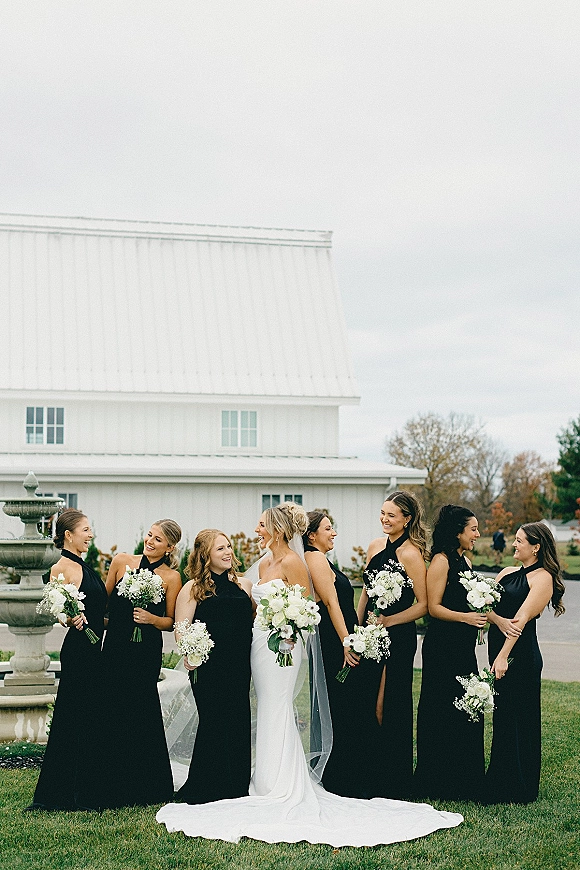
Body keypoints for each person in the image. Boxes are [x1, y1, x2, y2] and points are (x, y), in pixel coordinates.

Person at [157, 503, 463, 846]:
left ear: (276, 528)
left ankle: (281, 784)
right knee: (264, 707)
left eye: (262, 525)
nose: (256, 530)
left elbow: (308, 606)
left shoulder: (293, 561)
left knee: (277, 705)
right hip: (258, 645)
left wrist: (296, 632)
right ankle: (261, 778)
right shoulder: (260, 565)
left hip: (283, 646)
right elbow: (252, 607)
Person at [98, 519, 182, 807]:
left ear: (170, 547)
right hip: (116, 646)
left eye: (158, 539)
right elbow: (103, 602)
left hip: (145, 651)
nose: (150, 541)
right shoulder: (122, 561)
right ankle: (108, 780)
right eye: (149, 535)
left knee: (141, 709)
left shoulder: (172, 577)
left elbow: (171, 622)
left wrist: (150, 619)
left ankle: (145, 783)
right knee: (112, 707)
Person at [27, 509, 107, 810]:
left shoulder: (81, 564)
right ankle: (67, 791)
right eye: (85, 530)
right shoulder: (63, 567)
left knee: (88, 716)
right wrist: (68, 617)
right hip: (80, 650)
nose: (90, 534)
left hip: (92, 648)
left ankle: (87, 786)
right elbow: (58, 607)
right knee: (75, 717)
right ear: (69, 535)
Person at [485, 522, 565, 804]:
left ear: (536, 546)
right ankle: (499, 779)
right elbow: (486, 607)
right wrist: (497, 621)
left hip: (520, 655)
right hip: (498, 650)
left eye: (519, 541)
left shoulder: (542, 578)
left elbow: (520, 621)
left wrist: (504, 655)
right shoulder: (506, 572)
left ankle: (520, 785)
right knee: (503, 716)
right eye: (514, 539)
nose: (513, 544)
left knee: (521, 717)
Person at [303, 510, 381, 798]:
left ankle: (349, 772)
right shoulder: (315, 558)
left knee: (348, 707)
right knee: (343, 707)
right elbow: (331, 604)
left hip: (342, 639)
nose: (333, 533)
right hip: (335, 644)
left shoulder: (322, 558)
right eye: (327, 529)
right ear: (311, 535)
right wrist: (347, 642)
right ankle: (343, 776)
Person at [173, 530, 254, 804]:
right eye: (221, 548)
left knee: (238, 721)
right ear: (206, 555)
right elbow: (181, 629)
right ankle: (208, 784)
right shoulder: (192, 588)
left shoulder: (244, 586)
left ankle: (236, 785)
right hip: (208, 668)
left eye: (229, 547)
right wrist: (189, 653)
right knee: (214, 722)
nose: (228, 552)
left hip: (239, 667)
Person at [357, 491, 429, 798]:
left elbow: (423, 605)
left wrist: (389, 621)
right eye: (383, 513)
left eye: (392, 515)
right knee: (364, 699)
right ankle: (367, 771)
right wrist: (355, 628)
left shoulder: (412, 554)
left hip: (397, 637)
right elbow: (365, 591)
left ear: (407, 519)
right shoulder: (375, 546)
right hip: (368, 635)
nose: (385, 519)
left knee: (385, 705)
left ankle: (392, 778)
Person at [414, 504, 486, 802]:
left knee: (466, 706)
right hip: (442, 647)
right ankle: (437, 779)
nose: (477, 534)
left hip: (463, 648)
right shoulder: (441, 561)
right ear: (457, 532)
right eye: (473, 529)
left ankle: (464, 778)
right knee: (442, 707)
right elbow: (433, 608)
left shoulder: (465, 562)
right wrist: (466, 618)